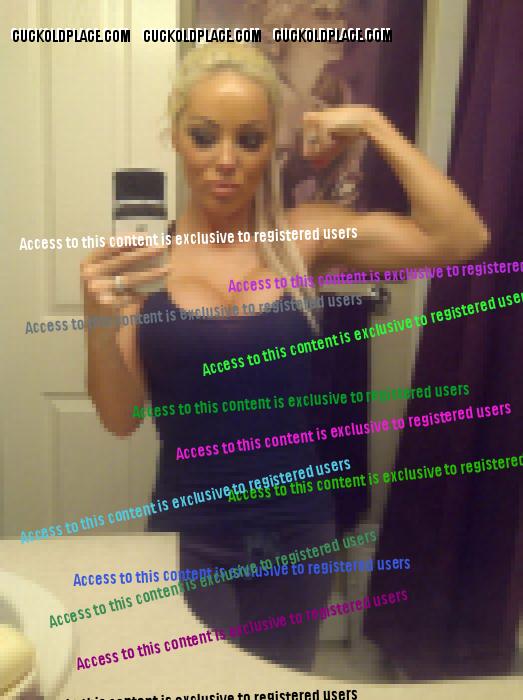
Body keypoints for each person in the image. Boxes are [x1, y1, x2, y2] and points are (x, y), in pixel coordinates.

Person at [81, 43, 489, 671]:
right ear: (176, 137)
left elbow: (463, 237)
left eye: (249, 140)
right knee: (200, 683)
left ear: (273, 147)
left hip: (300, 531)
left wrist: (373, 124)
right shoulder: (146, 263)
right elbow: (119, 418)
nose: (226, 160)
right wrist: (97, 320)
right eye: (204, 136)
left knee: (281, 680)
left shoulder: (302, 238)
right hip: (191, 535)